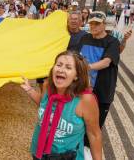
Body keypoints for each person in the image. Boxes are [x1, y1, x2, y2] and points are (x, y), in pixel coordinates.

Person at [21, 50, 102, 160]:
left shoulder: (86, 100)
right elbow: (43, 104)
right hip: (39, 151)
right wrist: (30, 90)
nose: (61, 69)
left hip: (66, 156)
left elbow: (94, 135)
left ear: (76, 76)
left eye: (68, 67)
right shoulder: (47, 86)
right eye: (58, 65)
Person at [76, 11, 120, 149]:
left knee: (94, 128)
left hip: (101, 92)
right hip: (82, 90)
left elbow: (107, 62)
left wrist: (85, 67)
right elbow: (77, 57)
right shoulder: (85, 38)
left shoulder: (112, 41)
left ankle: (88, 152)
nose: (93, 26)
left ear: (104, 25)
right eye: (91, 23)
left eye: (97, 24)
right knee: (79, 123)